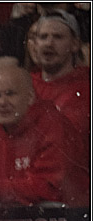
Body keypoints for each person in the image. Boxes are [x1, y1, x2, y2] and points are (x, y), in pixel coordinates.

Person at [0, 64, 88, 210]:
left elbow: (50, 188)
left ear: (30, 97)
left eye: (10, 94)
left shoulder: (53, 126)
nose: (2, 103)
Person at [29, 11, 91, 167]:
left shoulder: (86, 88)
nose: (49, 43)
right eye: (43, 37)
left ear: (75, 44)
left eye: (58, 37)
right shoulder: (24, 83)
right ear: (35, 44)